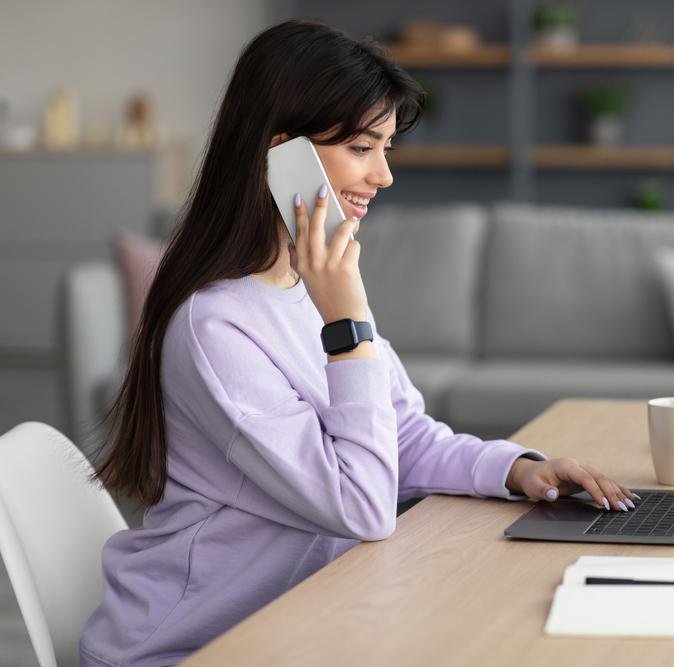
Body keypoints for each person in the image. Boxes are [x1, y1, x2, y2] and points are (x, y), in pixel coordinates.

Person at [79, 20, 637, 666]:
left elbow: (403, 436)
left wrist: (518, 469)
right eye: (363, 147)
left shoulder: (302, 286)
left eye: (386, 149)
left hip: (297, 623)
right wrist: (349, 321)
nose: (384, 176)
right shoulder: (216, 329)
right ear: (283, 154)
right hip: (189, 648)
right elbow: (365, 505)